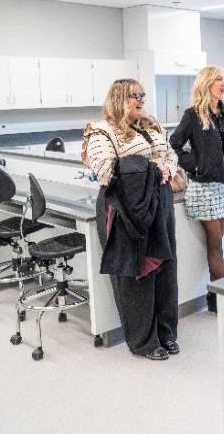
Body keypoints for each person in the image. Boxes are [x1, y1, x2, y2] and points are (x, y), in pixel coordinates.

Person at [84, 79, 179, 361]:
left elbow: (171, 154)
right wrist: (151, 169)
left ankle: (165, 332)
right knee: (136, 273)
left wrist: (166, 169)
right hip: (125, 206)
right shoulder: (102, 131)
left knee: (165, 268)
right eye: (134, 95)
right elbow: (104, 170)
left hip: (159, 201)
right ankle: (143, 341)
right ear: (118, 98)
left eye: (142, 95)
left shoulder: (152, 125)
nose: (141, 99)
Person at [170, 65, 224, 313]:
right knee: (215, 244)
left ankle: (215, 298)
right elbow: (173, 146)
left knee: (218, 243)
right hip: (203, 188)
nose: (223, 83)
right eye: (219, 79)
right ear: (206, 83)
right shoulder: (193, 115)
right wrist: (194, 166)